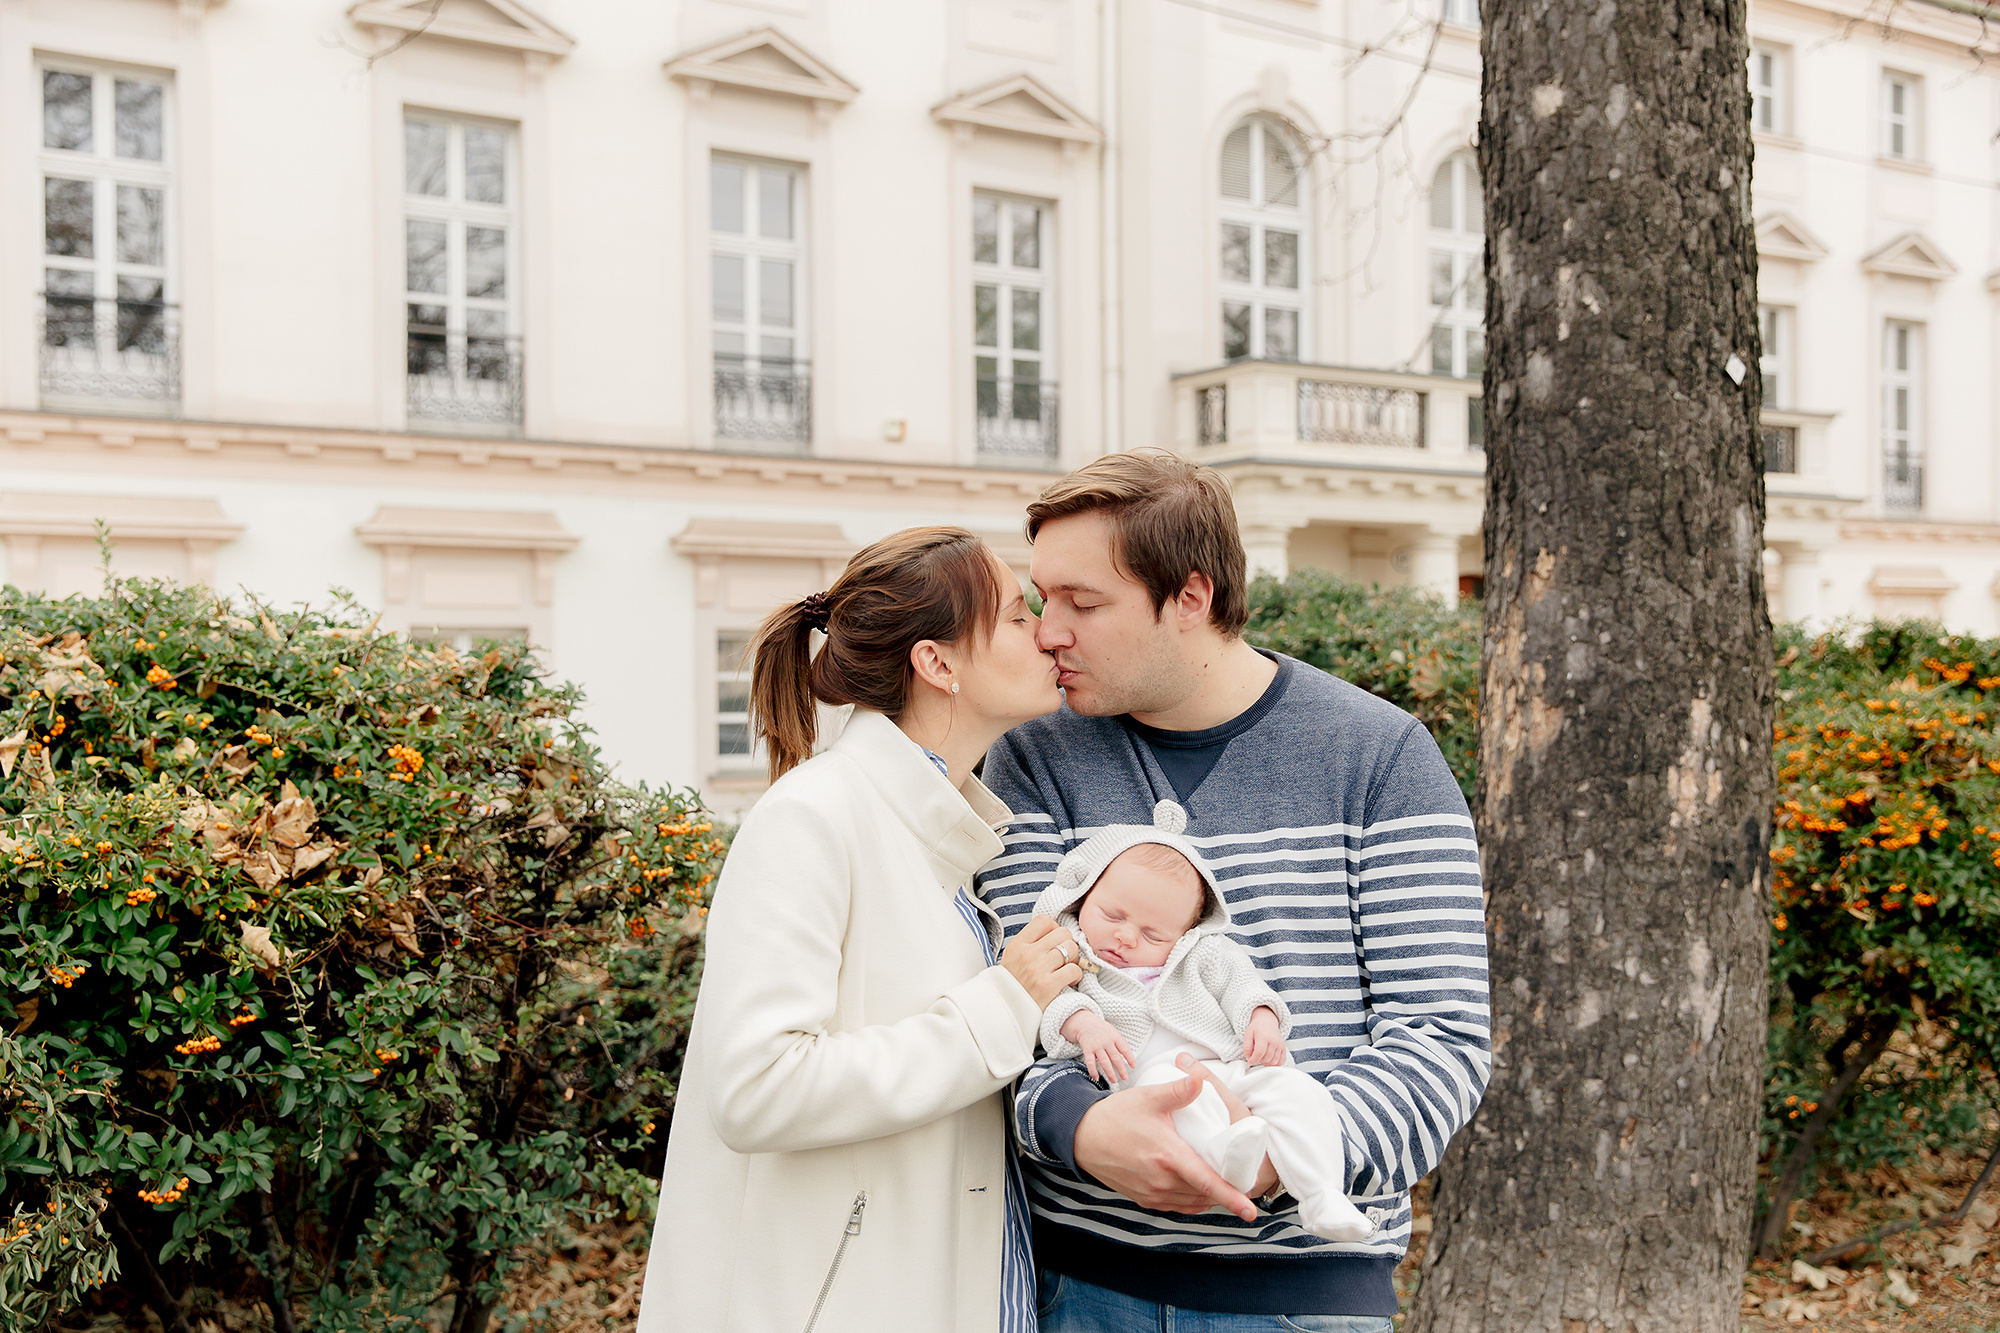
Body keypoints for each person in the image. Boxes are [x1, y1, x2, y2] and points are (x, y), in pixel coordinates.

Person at [974, 451, 1492, 1332]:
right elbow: (1010, 1001)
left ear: (1190, 597)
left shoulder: (1380, 757)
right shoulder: (1033, 758)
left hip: (1303, 1301)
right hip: (1076, 1292)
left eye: (1083, 602)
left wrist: (1280, 1157)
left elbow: (1442, 1037)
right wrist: (1083, 1130)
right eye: (1042, 597)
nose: (1047, 631)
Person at [637, 526, 1087, 1333]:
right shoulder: (812, 818)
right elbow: (758, 1087)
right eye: (1019, 616)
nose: (1049, 632)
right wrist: (1005, 1005)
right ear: (937, 663)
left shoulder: (940, 833)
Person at [1032, 803, 1375, 1245]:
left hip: (1229, 1066)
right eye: (1112, 916)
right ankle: (1227, 1157)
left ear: (1187, 933)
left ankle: (1321, 1192)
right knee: (1183, 1092)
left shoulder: (1202, 954)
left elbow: (1243, 984)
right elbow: (1053, 1002)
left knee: (1298, 1091)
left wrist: (1262, 1020)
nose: (1126, 937)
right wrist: (1085, 1027)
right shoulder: (1073, 953)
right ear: (1083, 898)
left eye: (1153, 934)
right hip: (1151, 1083)